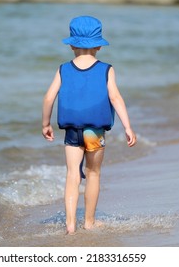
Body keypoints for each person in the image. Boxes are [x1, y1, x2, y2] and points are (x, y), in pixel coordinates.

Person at [42, 16, 136, 235]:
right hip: (95, 131)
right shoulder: (106, 69)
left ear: (72, 44)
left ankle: (70, 224)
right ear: (99, 45)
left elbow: (48, 98)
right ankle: (89, 222)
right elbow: (115, 98)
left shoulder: (63, 69)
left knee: (72, 174)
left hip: (72, 130)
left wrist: (46, 123)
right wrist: (128, 127)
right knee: (93, 173)